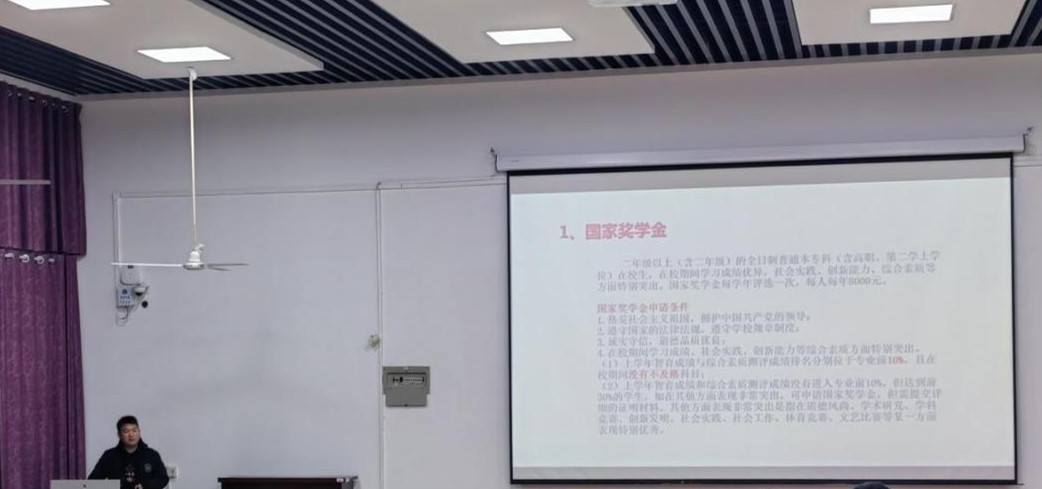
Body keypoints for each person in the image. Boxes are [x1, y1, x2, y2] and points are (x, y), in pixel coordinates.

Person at [88, 415, 169, 489]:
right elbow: (92, 481)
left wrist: (145, 485)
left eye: (134, 430)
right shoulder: (109, 456)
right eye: (126, 431)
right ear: (119, 435)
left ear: (139, 432)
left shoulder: (152, 455)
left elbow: (163, 479)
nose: (131, 435)